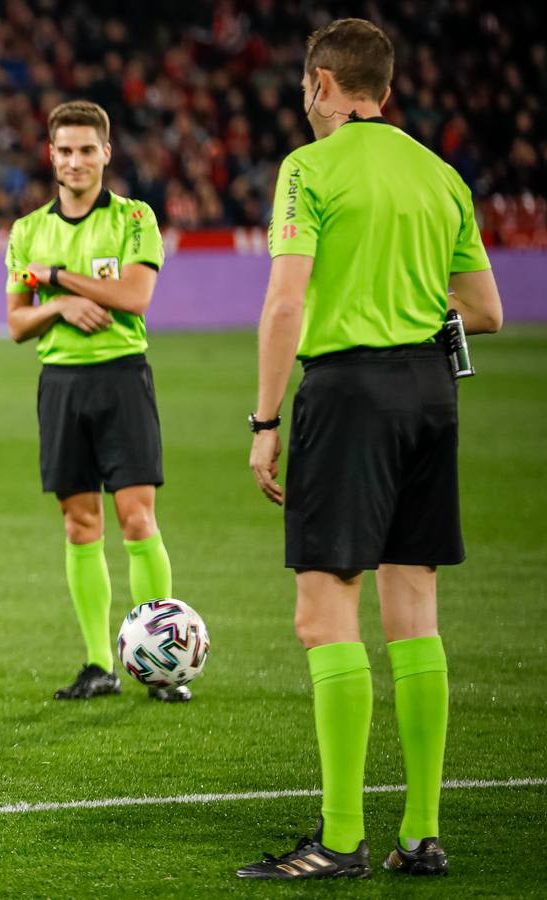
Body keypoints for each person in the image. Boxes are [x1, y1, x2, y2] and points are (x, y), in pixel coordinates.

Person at [237, 19, 502, 879]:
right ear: (382, 90)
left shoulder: (308, 169)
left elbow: (284, 304)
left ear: (321, 83)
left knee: (324, 615)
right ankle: (421, 834)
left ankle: (341, 839)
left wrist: (266, 422)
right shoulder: (440, 173)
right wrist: (413, 310)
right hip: (430, 392)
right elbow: (488, 311)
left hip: (347, 395)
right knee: (414, 613)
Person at [4, 100, 184, 703]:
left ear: (106, 153)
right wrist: (57, 308)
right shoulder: (26, 229)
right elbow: (16, 323)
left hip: (122, 377)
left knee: (137, 518)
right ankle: (98, 663)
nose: (75, 161)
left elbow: (134, 296)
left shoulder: (135, 218)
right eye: (65, 150)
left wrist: (53, 278)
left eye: (87, 150)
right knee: (80, 524)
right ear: (51, 156)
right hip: (61, 383)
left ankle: (160, 666)